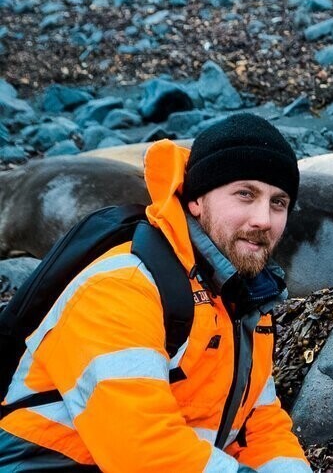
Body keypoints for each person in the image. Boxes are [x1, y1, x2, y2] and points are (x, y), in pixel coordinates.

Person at [0, 113, 313, 472]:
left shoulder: (245, 301)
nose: (264, 219)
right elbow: (142, 449)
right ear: (196, 200)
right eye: (245, 194)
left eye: (279, 202)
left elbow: (260, 425)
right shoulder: (123, 287)